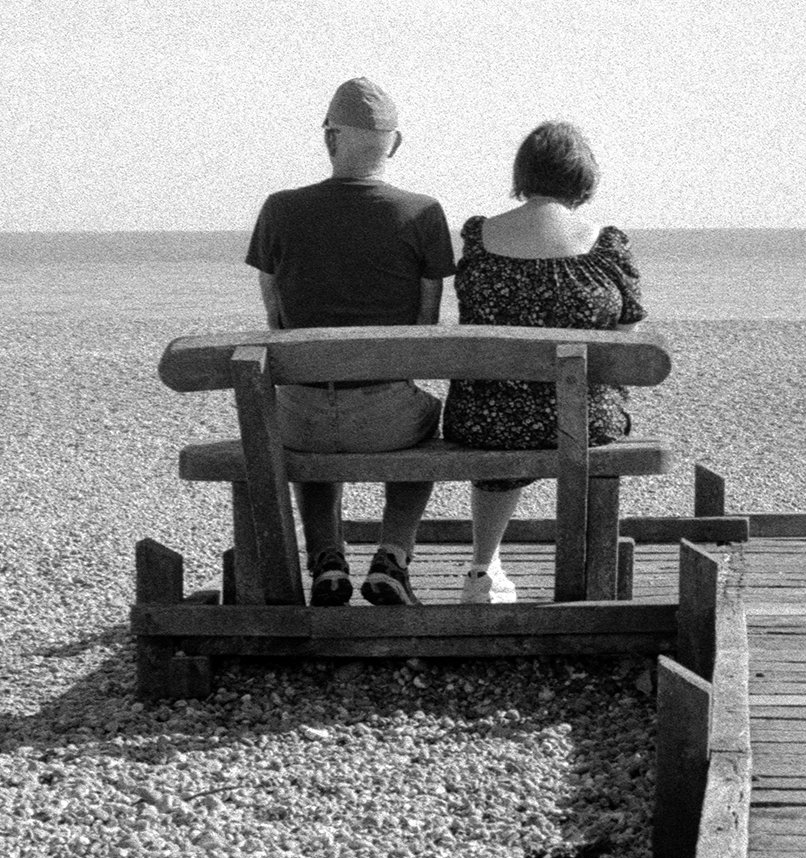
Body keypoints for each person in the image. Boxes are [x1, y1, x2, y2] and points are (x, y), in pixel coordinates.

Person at [244, 77, 454, 606]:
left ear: (329, 138)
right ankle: (392, 556)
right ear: (397, 143)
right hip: (386, 417)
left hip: (302, 417)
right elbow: (423, 332)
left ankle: (326, 561)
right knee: (429, 422)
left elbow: (277, 321)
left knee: (305, 404)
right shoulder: (423, 213)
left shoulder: (278, 209)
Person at [444, 121, 643, 603]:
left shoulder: (480, 237)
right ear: (584, 177)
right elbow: (627, 333)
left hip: (487, 419)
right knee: (577, 409)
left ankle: (482, 566)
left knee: (501, 408)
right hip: (584, 421)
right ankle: (590, 575)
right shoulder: (606, 244)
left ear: (523, 173)